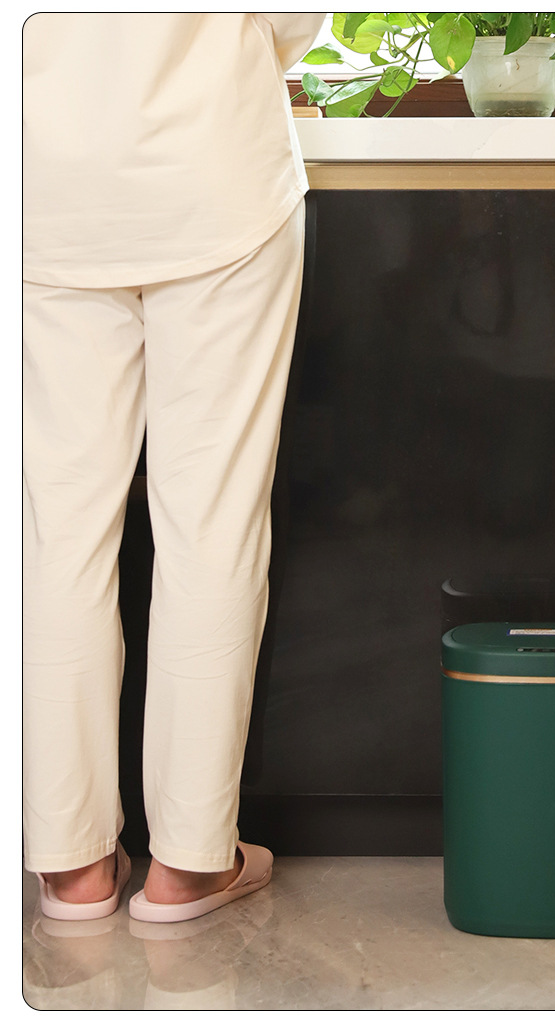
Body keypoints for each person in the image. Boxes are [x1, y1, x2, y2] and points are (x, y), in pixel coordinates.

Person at [23, 12, 325, 923]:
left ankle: (72, 865)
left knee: (60, 533)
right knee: (212, 527)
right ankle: (189, 865)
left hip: (45, 187)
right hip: (215, 172)